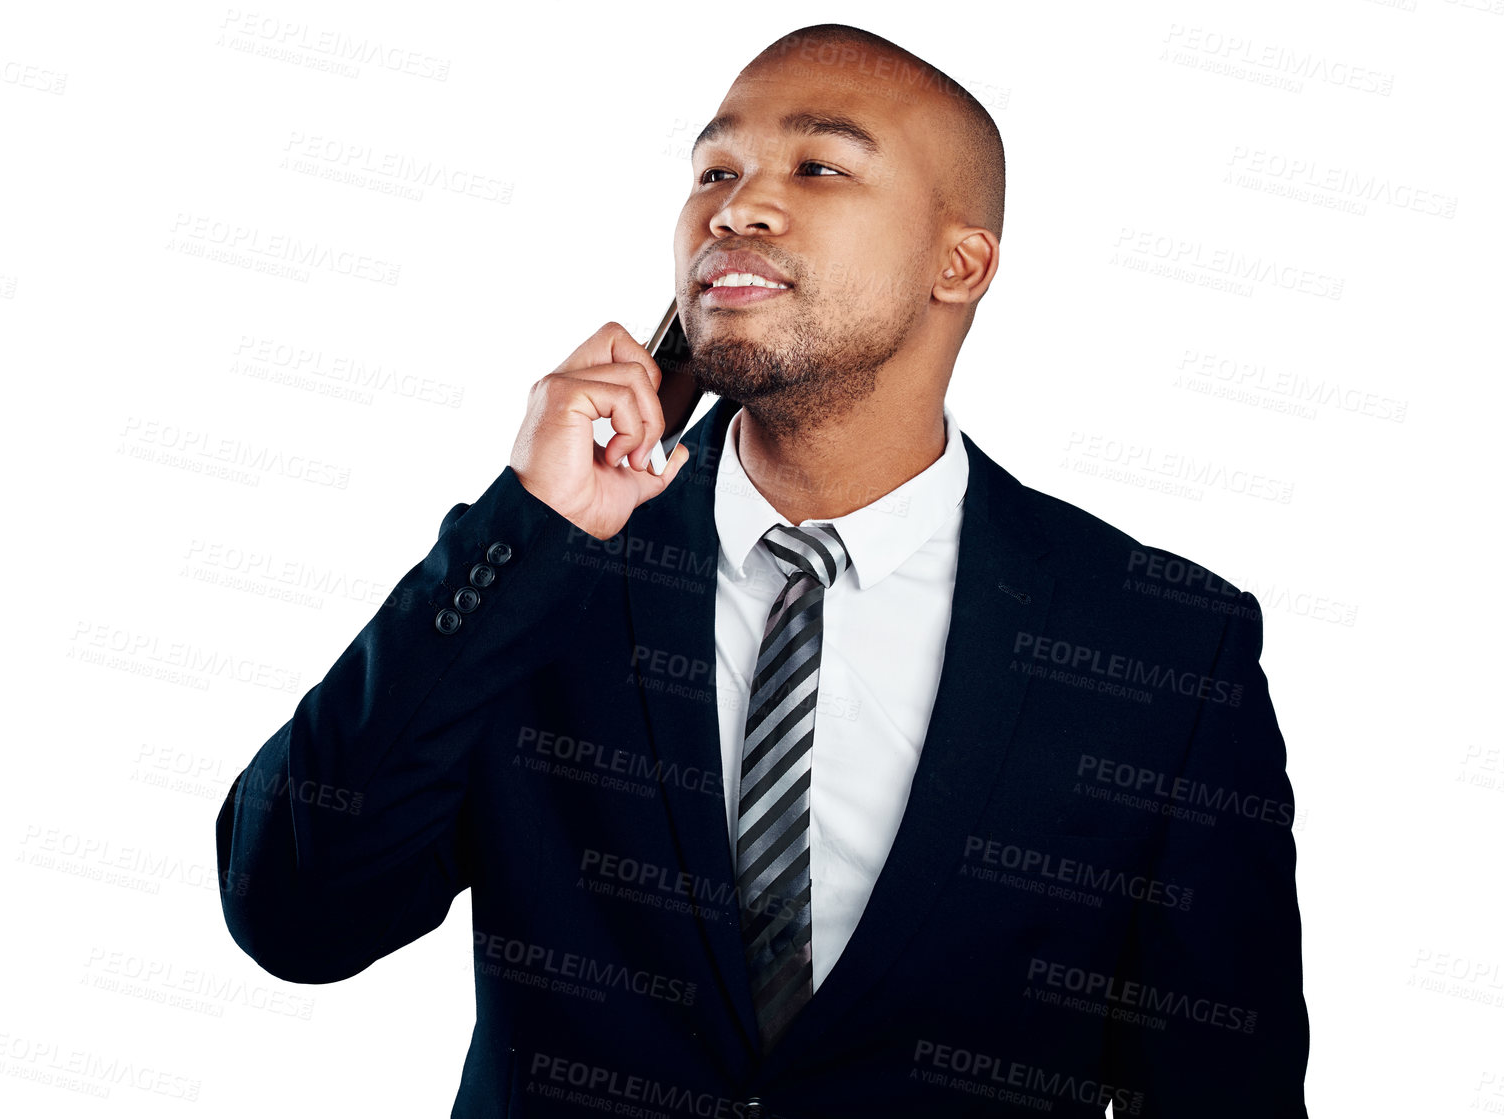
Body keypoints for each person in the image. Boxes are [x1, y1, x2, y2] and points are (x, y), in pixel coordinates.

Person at [215, 23, 1309, 1118]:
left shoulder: (1160, 647)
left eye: (820, 167)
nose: (737, 206)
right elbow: (295, 915)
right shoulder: (546, 566)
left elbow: (1225, 1092)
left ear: (959, 262)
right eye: (715, 171)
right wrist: (525, 525)